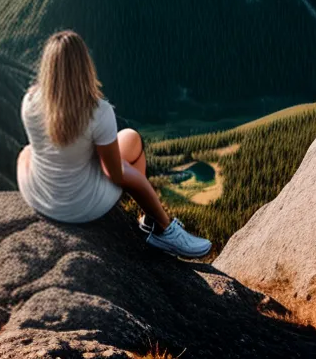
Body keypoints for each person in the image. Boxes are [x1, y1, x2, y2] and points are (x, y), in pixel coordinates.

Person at [17, 29, 210, 258]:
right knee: (124, 161)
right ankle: (162, 227)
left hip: (42, 199)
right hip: (83, 207)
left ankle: (151, 221)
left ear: (47, 67)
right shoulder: (97, 111)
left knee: (27, 152)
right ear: (85, 66)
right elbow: (114, 174)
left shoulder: (30, 102)